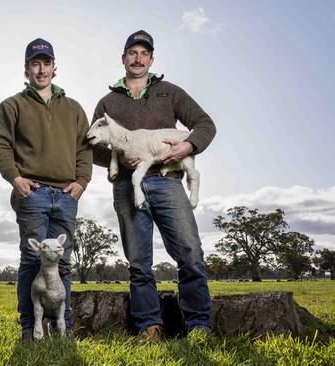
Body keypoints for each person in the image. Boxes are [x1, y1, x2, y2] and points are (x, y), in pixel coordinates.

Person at [92, 30, 216, 342]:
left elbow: (205, 124)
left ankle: (199, 325)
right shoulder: (108, 102)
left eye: (143, 53)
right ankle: (148, 326)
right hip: (126, 187)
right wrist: (120, 154)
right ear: (123, 59)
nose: (138, 58)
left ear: (151, 59)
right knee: (138, 262)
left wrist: (188, 147)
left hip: (167, 183)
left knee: (190, 253)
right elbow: (92, 146)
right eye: (132, 53)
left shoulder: (170, 93)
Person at [0, 38, 92, 341]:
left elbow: (84, 149)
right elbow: (1, 145)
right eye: (35, 64)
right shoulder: (12, 106)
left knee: (63, 262)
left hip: (66, 194)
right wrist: (16, 179)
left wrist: (81, 182)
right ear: (26, 69)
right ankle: (28, 328)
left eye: (46, 63)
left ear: (54, 67)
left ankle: (64, 328)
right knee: (33, 259)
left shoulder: (73, 108)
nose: (41, 69)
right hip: (31, 192)